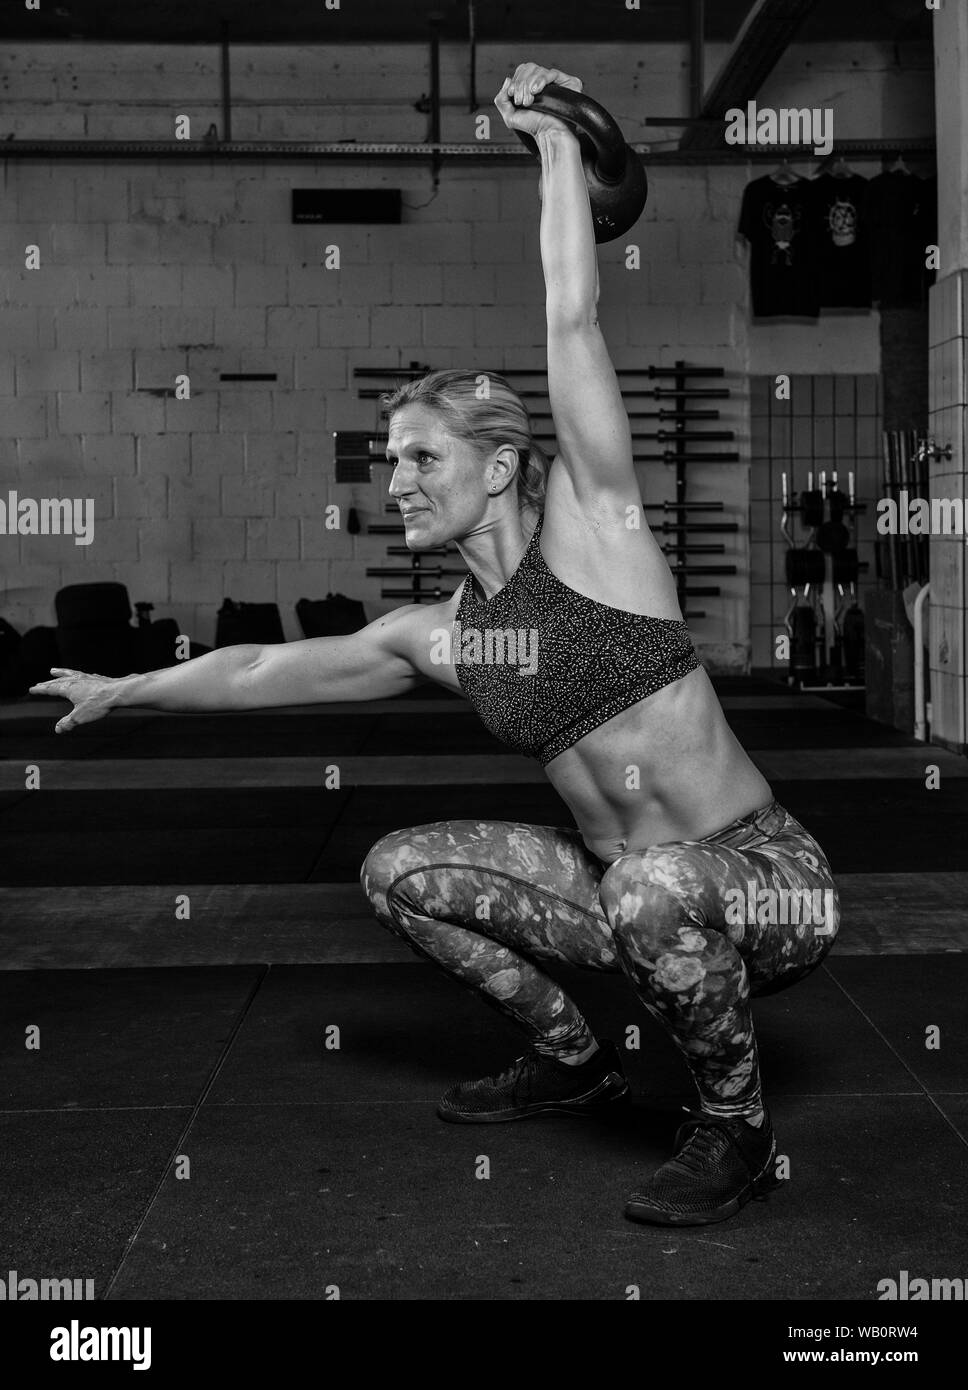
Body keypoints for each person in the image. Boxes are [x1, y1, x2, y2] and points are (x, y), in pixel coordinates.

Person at [30, 62, 840, 1229]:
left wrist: (554, 142)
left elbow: (571, 311)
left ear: (499, 465)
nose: (394, 479)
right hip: (626, 899)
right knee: (398, 867)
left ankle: (733, 1132)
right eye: (386, 459)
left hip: (765, 883)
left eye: (420, 457)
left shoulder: (595, 531)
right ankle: (571, 1056)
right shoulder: (440, 635)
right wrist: (129, 685)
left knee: (659, 885)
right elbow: (263, 668)